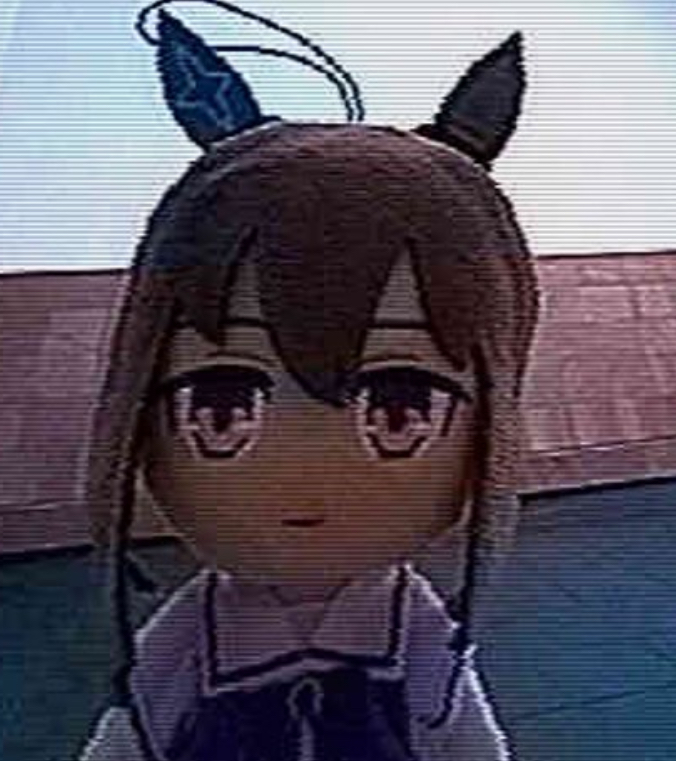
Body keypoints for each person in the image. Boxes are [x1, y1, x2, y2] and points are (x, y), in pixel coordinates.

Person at [80, 6, 540, 760]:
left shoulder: (409, 618)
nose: (302, 473)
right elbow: (129, 735)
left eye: (402, 408)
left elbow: (463, 733)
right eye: (220, 405)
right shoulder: (200, 623)